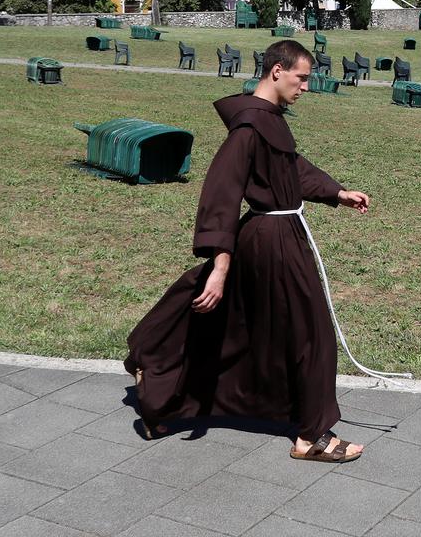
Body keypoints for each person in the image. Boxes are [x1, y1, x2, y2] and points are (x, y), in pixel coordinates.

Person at [125, 38, 372, 462]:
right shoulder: (247, 128)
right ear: (277, 71)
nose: (306, 87)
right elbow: (220, 195)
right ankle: (310, 437)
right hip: (270, 241)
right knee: (312, 335)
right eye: (301, 78)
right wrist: (220, 268)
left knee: (236, 329)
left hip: (277, 234)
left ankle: (159, 388)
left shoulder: (267, 120)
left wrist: (337, 192)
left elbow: (290, 168)